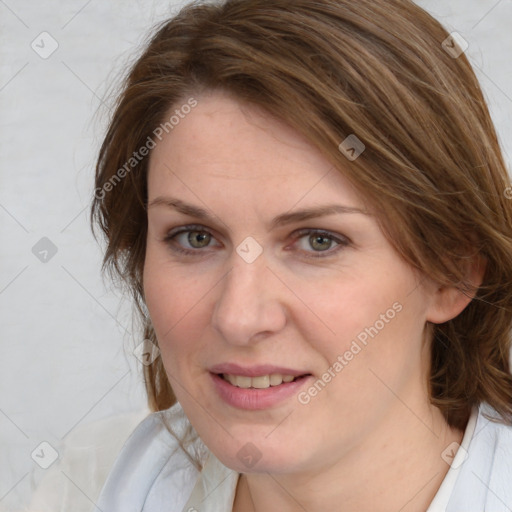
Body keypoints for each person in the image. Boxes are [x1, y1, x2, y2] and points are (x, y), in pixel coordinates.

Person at [88, 0, 512, 510]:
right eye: (195, 237)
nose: (239, 318)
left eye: (318, 241)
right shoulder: (99, 477)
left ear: (453, 273)